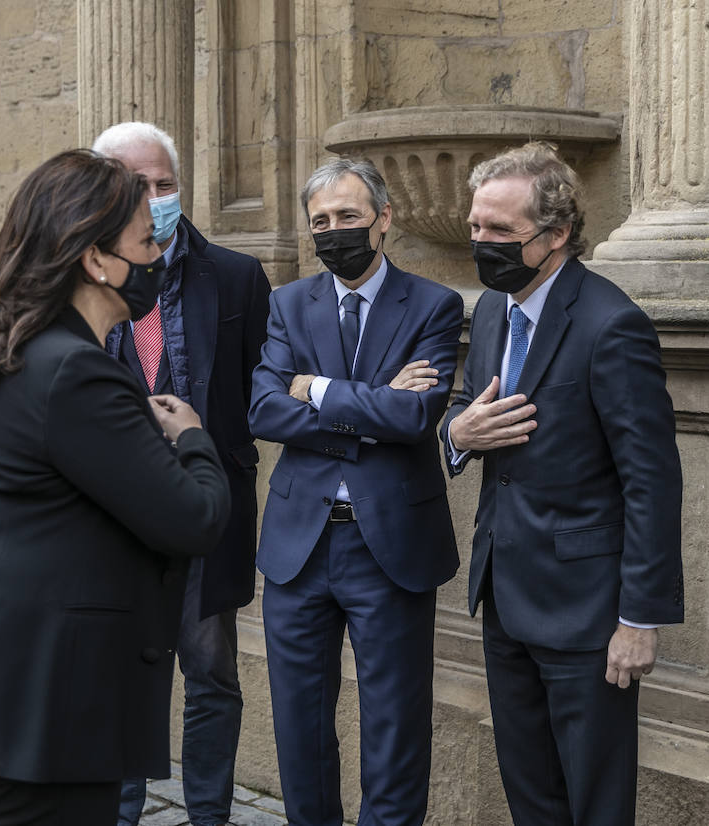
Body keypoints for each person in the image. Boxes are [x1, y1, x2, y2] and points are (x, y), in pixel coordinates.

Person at [0, 149, 232, 825]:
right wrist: (193, 437)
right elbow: (193, 518)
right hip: (37, 691)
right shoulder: (72, 370)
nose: (156, 257)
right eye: (143, 242)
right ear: (95, 259)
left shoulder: (29, 347)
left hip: (12, 675)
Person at [441, 141, 684, 826]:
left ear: (556, 235)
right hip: (505, 594)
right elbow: (467, 409)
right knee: (531, 793)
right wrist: (456, 437)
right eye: (475, 227)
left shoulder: (612, 325)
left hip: (587, 613)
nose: (481, 242)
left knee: (596, 801)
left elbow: (653, 481)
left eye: (499, 231)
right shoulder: (492, 309)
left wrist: (640, 619)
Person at [248, 157, 463, 826]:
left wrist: (317, 390)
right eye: (321, 222)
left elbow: (416, 416)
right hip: (298, 548)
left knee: (395, 723)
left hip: (390, 546)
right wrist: (369, 412)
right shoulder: (286, 303)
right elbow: (261, 412)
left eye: (348, 217)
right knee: (299, 723)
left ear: (383, 220)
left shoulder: (434, 304)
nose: (334, 231)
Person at [92, 121, 271, 826]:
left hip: (206, 513)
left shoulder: (235, 275)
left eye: (165, 183)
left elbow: (264, 391)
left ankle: (209, 816)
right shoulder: (85, 276)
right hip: (112, 517)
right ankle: (122, 813)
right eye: (138, 186)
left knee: (212, 676)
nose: (155, 197)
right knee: (121, 680)